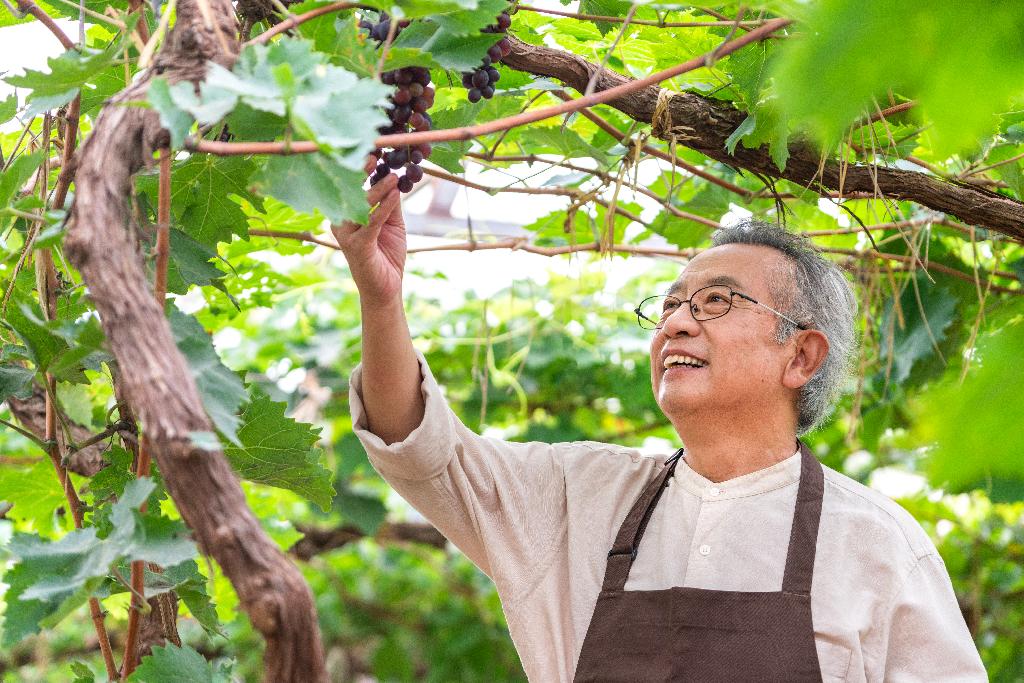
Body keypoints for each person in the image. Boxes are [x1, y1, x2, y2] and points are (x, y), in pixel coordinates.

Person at [333, 165, 987, 682]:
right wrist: (380, 296)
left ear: (801, 355)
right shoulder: (578, 495)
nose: (675, 322)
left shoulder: (879, 546)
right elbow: (419, 449)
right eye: (669, 305)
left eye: (715, 301)